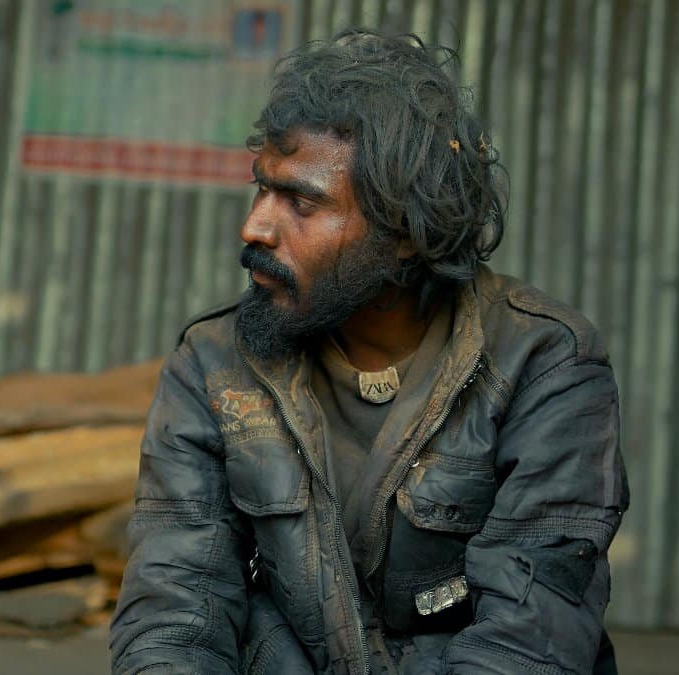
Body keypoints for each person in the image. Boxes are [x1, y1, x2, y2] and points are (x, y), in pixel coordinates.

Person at [111, 28, 629, 675]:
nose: (255, 225)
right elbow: (176, 611)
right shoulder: (215, 363)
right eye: (262, 187)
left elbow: (526, 643)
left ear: (405, 230)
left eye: (302, 201)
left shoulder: (545, 365)